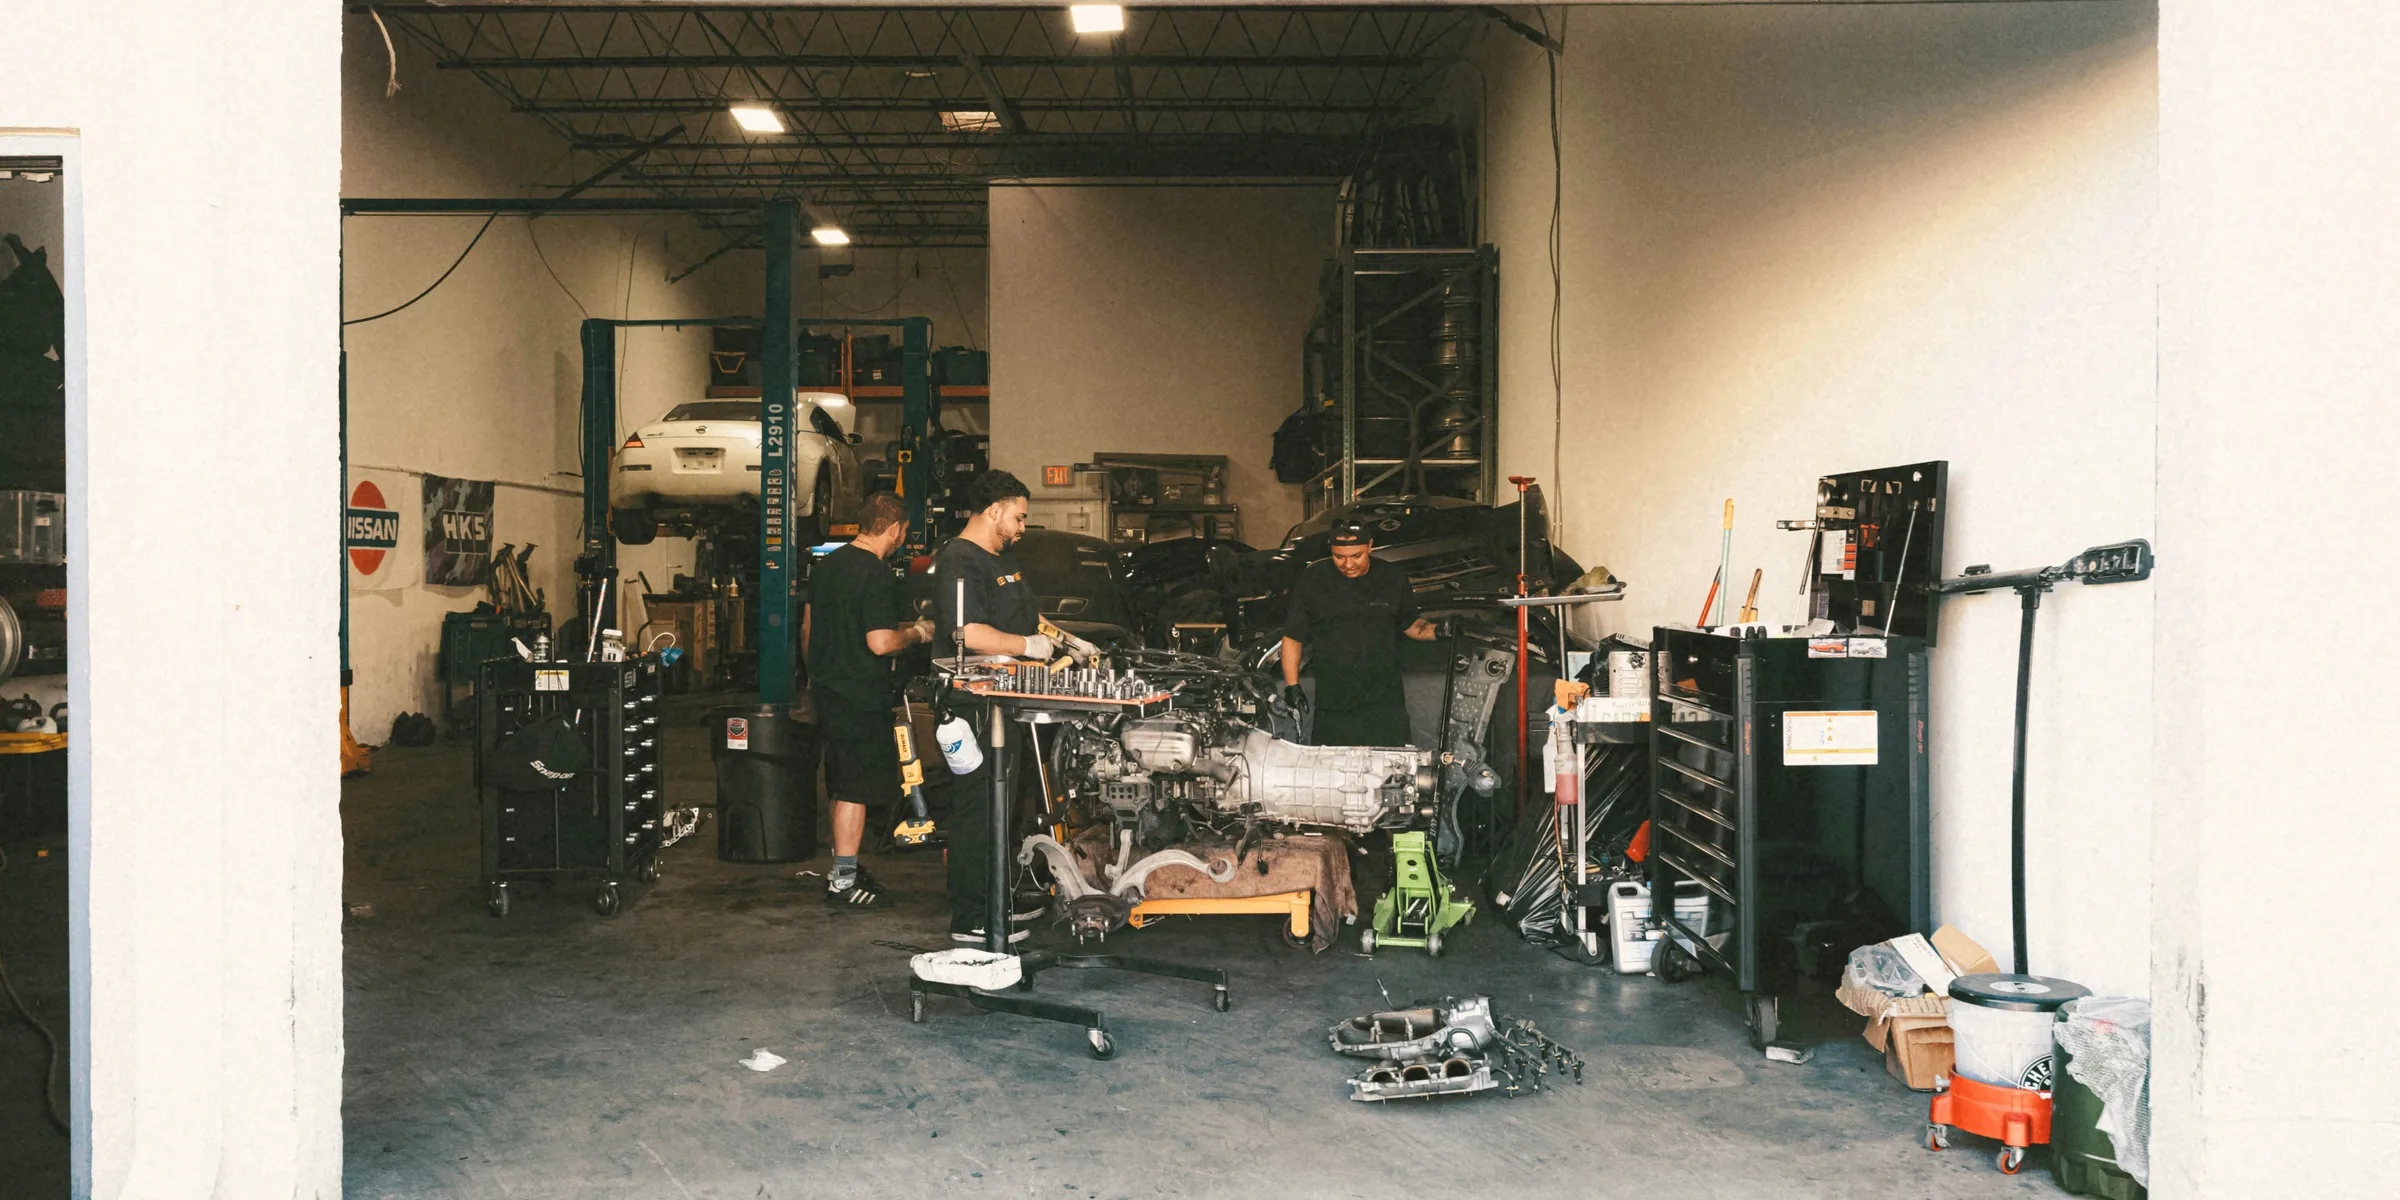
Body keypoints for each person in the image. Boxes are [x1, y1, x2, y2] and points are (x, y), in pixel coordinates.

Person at [928, 469, 1052, 944]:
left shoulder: (1000, 560)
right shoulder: (960, 561)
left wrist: (1064, 639)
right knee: (978, 810)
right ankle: (973, 916)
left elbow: (1025, 617)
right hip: (973, 707)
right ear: (995, 510)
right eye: (1018, 517)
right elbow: (969, 632)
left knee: (1002, 807)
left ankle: (999, 897)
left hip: (1004, 705)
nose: (1022, 526)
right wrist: (1026, 646)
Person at [802, 491, 936, 908]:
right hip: (860, 695)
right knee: (855, 790)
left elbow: (808, 628)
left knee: (841, 784)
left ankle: (842, 866)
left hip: (829, 689)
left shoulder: (827, 566)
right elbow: (880, 643)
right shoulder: (876, 573)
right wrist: (918, 633)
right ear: (895, 529)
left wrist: (819, 675)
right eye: (904, 532)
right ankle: (843, 882)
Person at [1280, 520, 1439, 746]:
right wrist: (1292, 686)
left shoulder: (1392, 578)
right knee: (1333, 764)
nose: (1348, 564)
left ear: (1370, 546)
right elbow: (1293, 636)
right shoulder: (1314, 578)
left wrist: (1440, 630)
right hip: (1334, 701)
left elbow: (1410, 625)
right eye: (1339, 557)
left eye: (1356, 556)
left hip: (1384, 700)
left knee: (1391, 763)